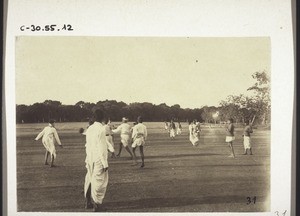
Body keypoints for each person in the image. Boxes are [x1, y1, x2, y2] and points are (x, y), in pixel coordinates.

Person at [84, 109, 109, 212]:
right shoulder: (101, 129)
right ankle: (97, 205)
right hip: (98, 158)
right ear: (103, 118)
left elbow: (88, 145)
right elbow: (102, 148)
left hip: (90, 157)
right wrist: (104, 163)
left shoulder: (90, 128)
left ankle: (88, 203)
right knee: (99, 181)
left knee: (90, 178)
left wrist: (88, 157)